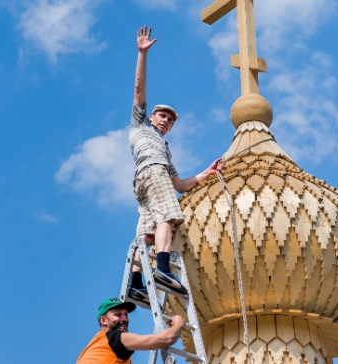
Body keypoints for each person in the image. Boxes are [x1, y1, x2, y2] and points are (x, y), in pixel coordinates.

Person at [127, 25, 224, 300]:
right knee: (168, 218)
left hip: (147, 181)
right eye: (162, 116)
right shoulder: (140, 127)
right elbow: (138, 89)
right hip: (151, 173)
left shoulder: (164, 150)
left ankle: (135, 283)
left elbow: (180, 185)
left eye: (170, 120)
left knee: (146, 235)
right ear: (152, 116)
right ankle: (164, 271)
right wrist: (142, 55)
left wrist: (207, 172)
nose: (166, 121)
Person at [76, 298, 186, 364]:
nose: (124, 319)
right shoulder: (114, 338)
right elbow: (166, 339)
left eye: (126, 314)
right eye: (118, 314)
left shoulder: (99, 346)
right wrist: (178, 324)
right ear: (103, 320)